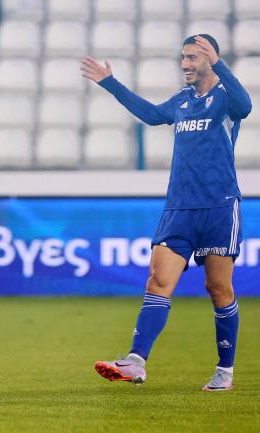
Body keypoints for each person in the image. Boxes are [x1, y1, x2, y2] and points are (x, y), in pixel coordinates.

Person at [80, 34, 252, 391]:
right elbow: (151, 114)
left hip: (219, 207)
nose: (185, 64)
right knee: (157, 282)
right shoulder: (182, 100)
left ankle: (225, 371)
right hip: (179, 208)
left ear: (209, 60)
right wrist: (110, 82)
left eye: (192, 57)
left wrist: (219, 64)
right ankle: (135, 362)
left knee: (218, 288)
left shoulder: (225, 99)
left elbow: (246, 105)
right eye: (183, 57)